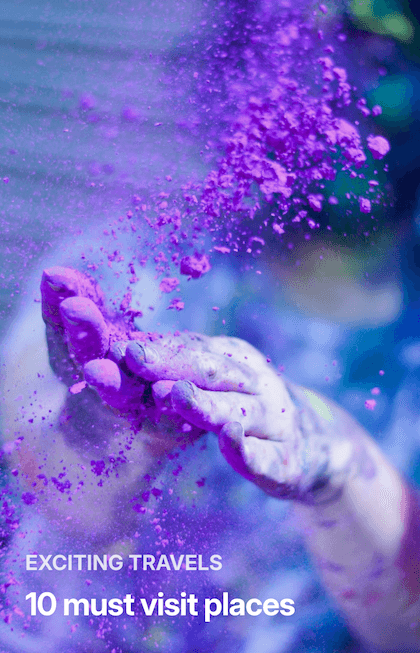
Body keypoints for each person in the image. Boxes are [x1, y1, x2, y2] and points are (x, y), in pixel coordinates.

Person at [2, 259, 419, 653]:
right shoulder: (134, 258)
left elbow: (406, 634)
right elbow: (42, 486)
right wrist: (97, 431)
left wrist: (330, 457)